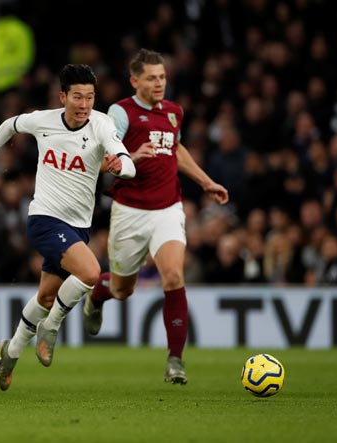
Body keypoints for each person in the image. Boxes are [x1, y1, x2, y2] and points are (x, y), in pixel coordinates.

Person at [0, 64, 153, 390]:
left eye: (90, 97)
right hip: (45, 218)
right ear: (62, 96)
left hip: (79, 226)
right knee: (91, 274)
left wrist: (121, 167)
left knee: (47, 297)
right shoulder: (43, 121)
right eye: (77, 97)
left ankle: (10, 352)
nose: (83, 104)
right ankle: (51, 328)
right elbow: (9, 125)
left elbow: (129, 165)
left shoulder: (101, 125)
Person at [83, 49, 229, 385]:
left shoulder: (174, 112)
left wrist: (206, 182)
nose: (159, 82)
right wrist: (131, 155)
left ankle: (175, 360)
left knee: (174, 276)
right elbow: (103, 159)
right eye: (151, 77)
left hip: (167, 208)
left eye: (162, 76)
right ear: (135, 81)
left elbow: (175, 149)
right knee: (122, 290)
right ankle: (98, 296)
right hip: (130, 211)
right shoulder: (120, 113)